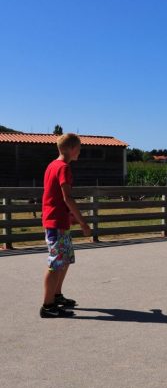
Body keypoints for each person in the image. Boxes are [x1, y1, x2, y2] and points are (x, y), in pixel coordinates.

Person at [40, 133, 92, 318]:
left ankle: (57, 295)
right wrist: (83, 223)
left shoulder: (52, 165)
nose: (80, 151)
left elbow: (54, 196)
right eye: (78, 148)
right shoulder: (63, 168)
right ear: (70, 149)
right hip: (56, 223)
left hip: (59, 221)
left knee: (65, 260)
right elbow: (67, 197)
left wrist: (68, 215)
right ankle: (47, 306)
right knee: (55, 263)